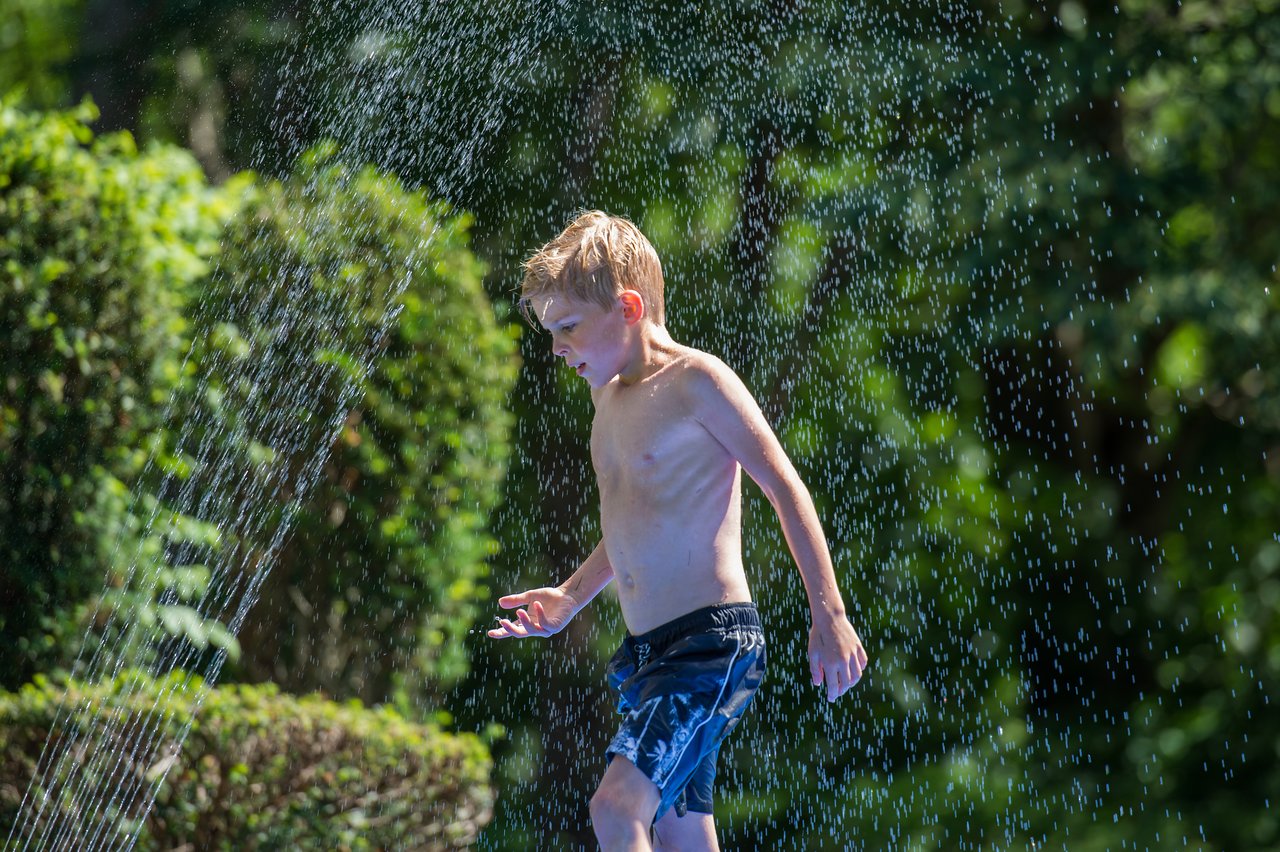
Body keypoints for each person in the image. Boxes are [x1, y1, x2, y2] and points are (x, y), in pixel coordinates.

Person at [488, 210, 868, 852]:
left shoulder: (698, 382)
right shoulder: (605, 399)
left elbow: (785, 488)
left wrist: (828, 613)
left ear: (629, 308)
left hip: (708, 648)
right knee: (679, 828)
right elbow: (632, 525)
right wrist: (570, 596)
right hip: (649, 654)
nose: (556, 347)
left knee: (616, 808)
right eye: (551, 331)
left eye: (568, 327)